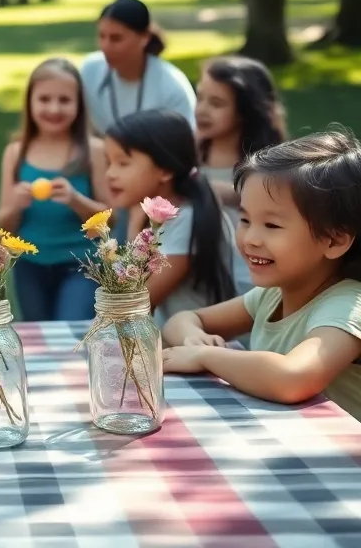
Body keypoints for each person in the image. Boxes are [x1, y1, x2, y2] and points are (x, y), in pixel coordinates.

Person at [162, 129, 361, 421]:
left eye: (272, 225)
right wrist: (194, 339)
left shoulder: (347, 307)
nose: (250, 238)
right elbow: (184, 320)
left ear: (334, 240)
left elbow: (293, 378)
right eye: (245, 219)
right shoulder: (270, 296)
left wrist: (208, 356)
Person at [0, 59, 110, 321]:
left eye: (64, 100)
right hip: (30, 267)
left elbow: (109, 218)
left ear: (79, 104)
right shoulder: (16, 153)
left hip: (81, 264)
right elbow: (4, 225)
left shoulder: (93, 151)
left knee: (71, 329)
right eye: (44, 99)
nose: (54, 108)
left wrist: (76, 200)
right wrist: (17, 204)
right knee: (40, 336)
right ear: (30, 102)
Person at [104, 109, 236, 326]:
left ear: (165, 170)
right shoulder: (159, 216)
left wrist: (135, 227)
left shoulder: (185, 220)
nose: (110, 173)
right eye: (108, 162)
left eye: (123, 163)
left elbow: (133, 303)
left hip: (197, 347)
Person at [195, 55, 287, 295]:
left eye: (216, 104)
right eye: (200, 98)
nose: (201, 110)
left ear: (245, 111)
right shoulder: (190, 152)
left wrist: (230, 193)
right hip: (195, 272)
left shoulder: (268, 163)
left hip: (248, 274)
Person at [80, 0, 197, 135]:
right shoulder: (89, 71)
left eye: (116, 38)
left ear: (144, 38)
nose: (105, 46)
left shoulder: (171, 87)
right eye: (101, 36)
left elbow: (183, 145)